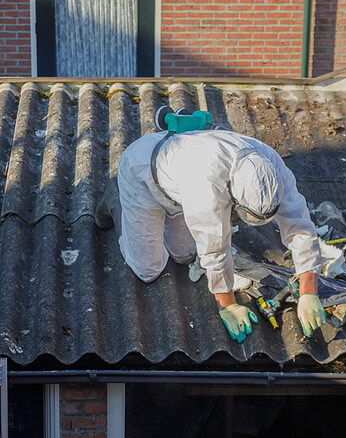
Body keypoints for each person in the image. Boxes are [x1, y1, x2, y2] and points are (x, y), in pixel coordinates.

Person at [95, 128, 325, 343]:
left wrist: (308, 290)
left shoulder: (273, 168)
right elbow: (215, 249)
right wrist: (227, 305)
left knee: (184, 256)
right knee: (149, 269)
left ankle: (158, 219)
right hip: (142, 173)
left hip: (177, 187)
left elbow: (300, 226)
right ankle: (116, 198)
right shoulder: (206, 183)